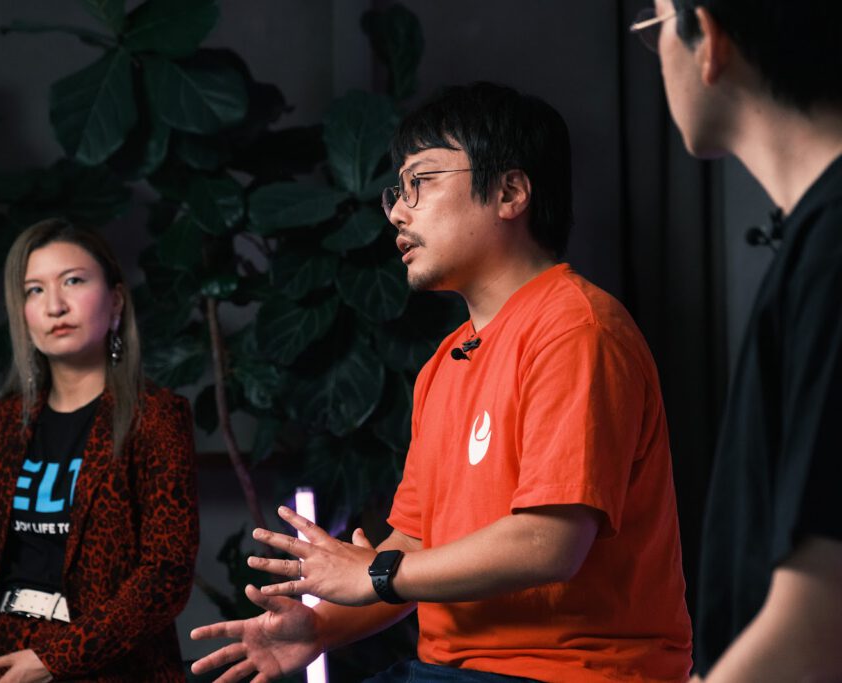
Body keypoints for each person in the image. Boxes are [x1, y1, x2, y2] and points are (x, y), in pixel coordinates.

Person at [190, 82, 692, 683]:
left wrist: (373, 573)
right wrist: (320, 628)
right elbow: (414, 548)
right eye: (397, 192)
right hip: (452, 671)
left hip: (571, 673)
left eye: (421, 183)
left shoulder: (576, 329)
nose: (398, 213)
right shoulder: (445, 362)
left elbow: (549, 544)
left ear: (509, 192)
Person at [634, 0, 842, 680]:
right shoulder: (814, 242)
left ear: (710, 39)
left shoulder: (832, 253)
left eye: (657, 25)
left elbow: (821, 623)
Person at [0, 219, 199, 683]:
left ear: (115, 300)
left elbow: (166, 574)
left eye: (73, 281)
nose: (55, 305)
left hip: (111, 666)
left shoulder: (155, 417)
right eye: (34, 290)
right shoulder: (1, 424)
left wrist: (58, 658)